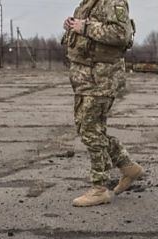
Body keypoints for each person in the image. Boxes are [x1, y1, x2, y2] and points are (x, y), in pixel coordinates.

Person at [62, 0, 144, 207]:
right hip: (86, 77)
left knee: (89, 129)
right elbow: (85, 37)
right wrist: (72, 27)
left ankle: (99, 188)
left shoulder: (114, 2)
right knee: (91, 129)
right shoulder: (89, 3)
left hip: (101, 78)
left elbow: (120, 34)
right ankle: (128, 167)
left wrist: (85, 27)